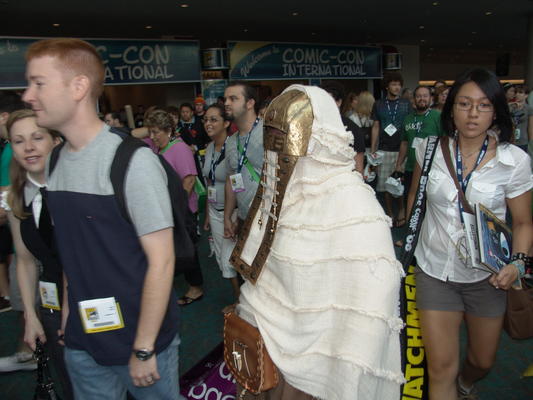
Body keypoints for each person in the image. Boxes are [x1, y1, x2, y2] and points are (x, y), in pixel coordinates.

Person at [22, 38, 183, 399]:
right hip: (83, 339)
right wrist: (68, 314)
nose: (28, 95)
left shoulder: (132, 161)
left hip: (140, 340)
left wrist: (144, 347)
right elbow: (72, 249)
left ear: (78, 87)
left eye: (39, 83)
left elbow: (162, 261)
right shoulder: (56, 161)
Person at [231, 84, 403, 399]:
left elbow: (374, 295)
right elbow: (260, 277)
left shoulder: (354, 202)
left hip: (325, 359)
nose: (282, 156)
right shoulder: (277, 197)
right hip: (269, 351)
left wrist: (332, 353)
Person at [407, 68, 533, 400]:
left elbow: (523, 222)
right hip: (435, 271)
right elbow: (415, 198)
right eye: (464, 104)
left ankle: (467, 382)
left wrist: (518, 264)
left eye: (483, 105)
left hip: (488, 278)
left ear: (496, 111)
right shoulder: (428, 150)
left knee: (482, 361)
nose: (473, 113)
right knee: (440, 370)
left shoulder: (513, 161)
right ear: (451, 109)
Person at [4, 109, 74, 398]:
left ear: (55, 141)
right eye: (19, 141)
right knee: (69, 380)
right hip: (52, 300)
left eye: (37, 138)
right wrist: (31, 315)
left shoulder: (77, 188)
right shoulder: (16, 197)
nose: (28, 147)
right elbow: (24, 260)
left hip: (94, 296)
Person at [143, 109, 205, 306]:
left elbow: (189, 181)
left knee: (188, 249)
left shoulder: (179, 149)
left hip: (182, 210)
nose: (152, 137)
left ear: (168, 130)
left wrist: (177, 209)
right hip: (166, 209)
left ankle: (196, 288)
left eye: (155, 132)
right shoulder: (155, 146)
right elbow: (131, 136)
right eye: (150, 132)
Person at [201, 105, 240, 308]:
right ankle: (240, 298)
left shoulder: (234, 148)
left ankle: (241, 302)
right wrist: (208, 214)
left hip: (232, 213)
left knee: (228, 260)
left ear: (226, 123)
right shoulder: (209, 148)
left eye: (214, 119)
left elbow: (238, 184)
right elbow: (209, 181)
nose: (208, 123)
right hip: (214, 211)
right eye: (206, 119)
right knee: (220, 257)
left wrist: (234, 216)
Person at [223, 82, 264, 239]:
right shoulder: (231, 142)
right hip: (243, 219)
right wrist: (228, 216)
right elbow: (232, 179)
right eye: (225, 99)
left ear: (250, 103)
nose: (226, 103)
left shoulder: (268, 133)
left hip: (268, 220)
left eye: (233, 99)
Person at [371, 72, 411, 227]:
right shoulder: (378, 104)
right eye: (394, 84)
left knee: (398, 183)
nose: (397, 87)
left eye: (399, 84)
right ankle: (389, 213)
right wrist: (373, 150)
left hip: (402, 148)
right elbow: (376, 126)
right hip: (384, 149)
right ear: (387, 86)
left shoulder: (406, 104)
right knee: (385, 185)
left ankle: (401, 209)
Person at [394, 86, 443, 197]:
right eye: (418, 96)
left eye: (425, 96)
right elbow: (404, 143)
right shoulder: (408, 118)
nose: (422, 99)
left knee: (428, 200)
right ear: (414, 99)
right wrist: (398, 165)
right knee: (410, 197)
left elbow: (445, 141)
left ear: (431, 98)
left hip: (432, 168)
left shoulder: (438, 116)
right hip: (410, 167)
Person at [321, 81, 365, 174]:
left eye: (328, 100)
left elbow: (359, 168)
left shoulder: (353, 129)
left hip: (343, 178)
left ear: (339, 102)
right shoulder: (314, 126)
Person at [509, 84, 533, 152]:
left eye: (520, 92)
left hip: (523, 141)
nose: (517, 94)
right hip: (510, 140)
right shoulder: (510, 107)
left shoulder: (528, 109)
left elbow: (530, 127)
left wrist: (530, 141)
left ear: (526, 95)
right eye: (516, 92)